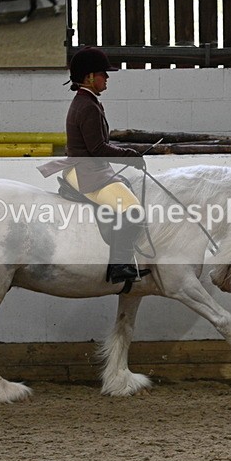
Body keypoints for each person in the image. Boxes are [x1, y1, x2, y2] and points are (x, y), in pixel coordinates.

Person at [38, 47, 151, 285]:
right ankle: (119, 265)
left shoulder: (87, 101)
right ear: (90, 76)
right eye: (103, 73)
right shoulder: (87, 106)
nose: (107, 78)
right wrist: (130, 155)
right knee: (133, 210)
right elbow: (98, 148)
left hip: (89, 168)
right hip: (86, 172)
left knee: (126, 187)